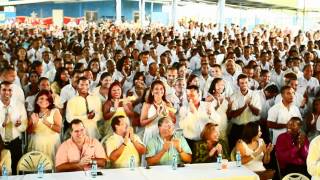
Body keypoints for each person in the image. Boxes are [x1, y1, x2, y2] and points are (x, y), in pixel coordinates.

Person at [0, 81, 27, 175]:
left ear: (12, 92)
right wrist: (3, 124)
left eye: (9, 90)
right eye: (4, 89)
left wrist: (19, 125)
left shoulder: (19, 106)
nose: (7, 92)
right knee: (2, 172)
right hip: (0, 143)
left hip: (15, 143)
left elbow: (24, 127)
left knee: (16, 170)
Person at [228, 74, 261, 149]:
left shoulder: (255, 94)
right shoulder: (233, 96)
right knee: (236, 149)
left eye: (246, 82)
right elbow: (233, 114)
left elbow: (257, 113)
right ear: (238, 84)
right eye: (242, 83)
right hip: (238, 128)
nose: (244, 85)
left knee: (253, 149)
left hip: (252, 127)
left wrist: (250, 105)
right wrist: (245, 106)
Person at [27, 90, 62, 160]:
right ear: (37, 101)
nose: (44, 101)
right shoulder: (34, 114)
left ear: (50, 101)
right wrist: (35, 123)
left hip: (52, 143)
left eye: (47, 99)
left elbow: (58, 130)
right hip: (37, 144)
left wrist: (47, 123)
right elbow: (29, 131)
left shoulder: (55, 111)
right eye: (41, 98)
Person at [140, 80, 175, 146]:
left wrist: (167, 114)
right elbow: (142, 123)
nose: (159, 91)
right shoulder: (147, 104)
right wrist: (156, 115)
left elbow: (173, 120)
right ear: (152, 92)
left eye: (161, 89)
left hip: (164, 134)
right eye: (156, 89)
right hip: (151, 134)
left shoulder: (168, 103)